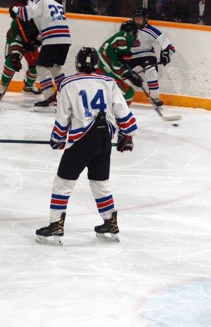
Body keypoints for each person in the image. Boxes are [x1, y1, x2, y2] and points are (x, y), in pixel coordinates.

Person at [35, 46, 137, 246]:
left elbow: (63, 116)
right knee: (99, 182)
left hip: (82, 140)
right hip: (104, 139)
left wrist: (57, 138)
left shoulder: (68, 83)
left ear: (77, 63)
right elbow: (122, 111)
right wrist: (128, 135)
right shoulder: (109, 82)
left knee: (63, 183)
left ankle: (56, 225)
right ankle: (110, 222)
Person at [10, 0, 72, 108]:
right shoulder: (56, 3)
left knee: (41, 68)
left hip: (53, 40)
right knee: (55, 68)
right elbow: (52, 24)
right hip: (65, 40)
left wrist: (15, 9)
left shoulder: (38, 1)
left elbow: (27, 14)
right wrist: (37, 40)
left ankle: (49, 97)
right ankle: (64, 95)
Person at [128, 8, 175, 106]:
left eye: (140, 18)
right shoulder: (127, 28)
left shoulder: (151, 30)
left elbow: (170, 47)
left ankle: (154, 97)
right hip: (130, 55)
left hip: (147, 55)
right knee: (118, 71)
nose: (137, 20)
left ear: (145, 19)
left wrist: (166, 54)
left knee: (151, 72)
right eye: (136, 18)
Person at [0, 0, 42, 98]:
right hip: (15, 40)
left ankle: (28, 87)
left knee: (36, 66)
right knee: (10, 63)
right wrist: (15, 56)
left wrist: (35, 44)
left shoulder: (38, 19)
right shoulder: (15, 24)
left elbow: (42, 36)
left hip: (30, 42)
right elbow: (15, 42)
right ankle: (3, 86)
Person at [97, 20, 143, 105]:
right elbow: (123, 57)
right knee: (129, 93)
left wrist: (130, 75)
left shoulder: (118, 39)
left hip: (102, 70)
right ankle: (118, 114)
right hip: (104, 71)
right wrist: (130, 76)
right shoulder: (125, 36)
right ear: (133, 31)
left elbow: (118, 63)